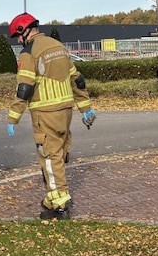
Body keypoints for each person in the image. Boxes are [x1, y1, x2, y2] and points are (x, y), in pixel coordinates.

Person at [6, 12, 96, 220]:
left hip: (45, 113)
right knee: (59, 152)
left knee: (49, 156)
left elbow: (25, 88)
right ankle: (51, 199)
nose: (18, 41)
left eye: (18, 36)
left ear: (24, 31)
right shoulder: (58, 46)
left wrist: (13, 117)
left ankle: (60, 203)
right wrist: (85, 107)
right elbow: (77, 79)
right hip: (65, 111)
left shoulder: (29, 52)